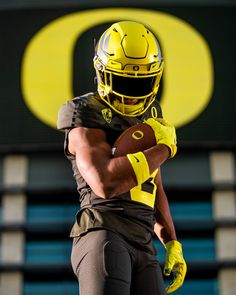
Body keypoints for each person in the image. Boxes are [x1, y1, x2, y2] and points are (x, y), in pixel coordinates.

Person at [57, 21, 187, 295]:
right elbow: (104, 182)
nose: (131, 95)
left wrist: (171, 241)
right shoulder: (84, 111)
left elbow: (154, 184)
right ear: (102, 71)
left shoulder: (150, 115)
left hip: (143, 242)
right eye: (124, 81)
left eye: (141, 83)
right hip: (105, 233)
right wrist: (164, 148)